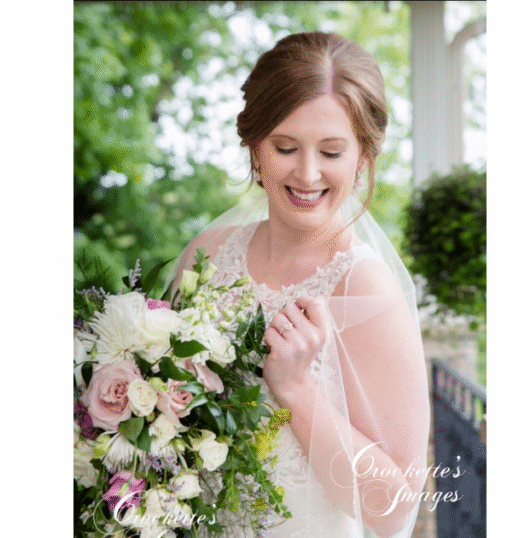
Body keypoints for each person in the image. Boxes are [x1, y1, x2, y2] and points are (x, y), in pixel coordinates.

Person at [174, 32, 430, 538]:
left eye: (331, 152)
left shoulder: (366, 289)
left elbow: (395, 509)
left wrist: (294, 388)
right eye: (285, 147)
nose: (308, 174)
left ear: (363, 158)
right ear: (254, 147)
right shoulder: (205, 253)